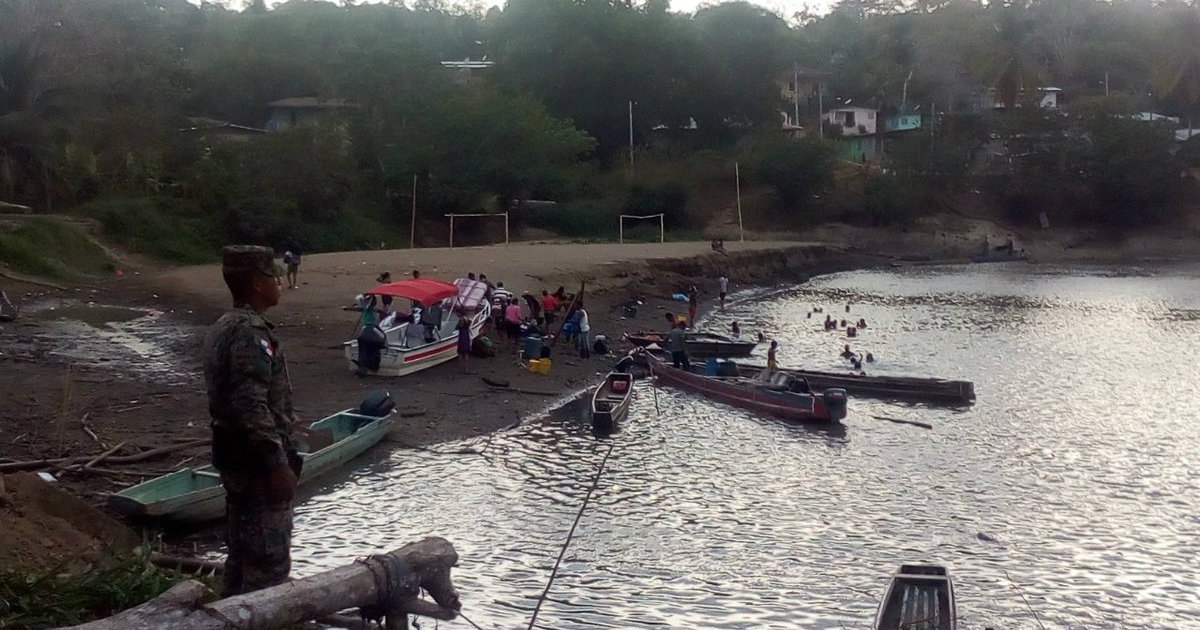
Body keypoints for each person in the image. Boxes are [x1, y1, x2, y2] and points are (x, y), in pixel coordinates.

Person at [202, 246, 300, 596]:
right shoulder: (249, 332)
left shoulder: (225, 325)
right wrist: (277, 463)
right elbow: (251, 403)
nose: (279, 283)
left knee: (241, 556)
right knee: (267, 564)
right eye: (274, 277)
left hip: (235, 457)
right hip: (256, 463)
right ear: (257, 284)